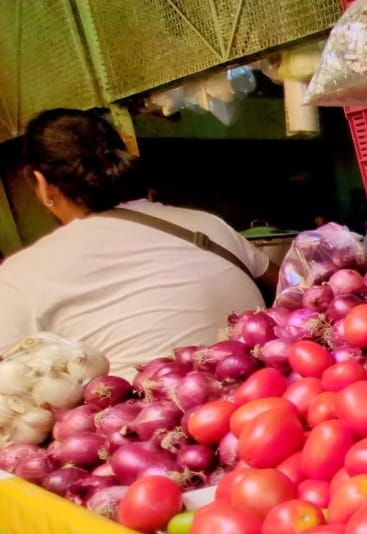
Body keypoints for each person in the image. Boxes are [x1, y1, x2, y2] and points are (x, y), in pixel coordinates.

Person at [0, 109, 278, 376]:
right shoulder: (207, 224)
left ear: (41, 183)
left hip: (147, 405)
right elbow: (287, 285)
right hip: (273, 389)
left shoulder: (21, 273)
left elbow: (11, 385)